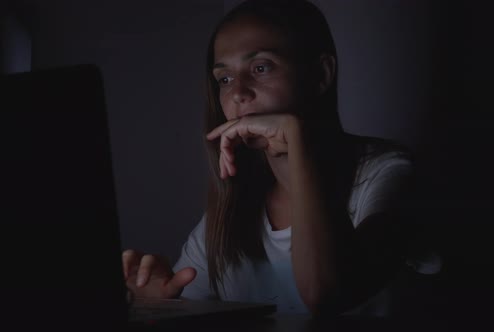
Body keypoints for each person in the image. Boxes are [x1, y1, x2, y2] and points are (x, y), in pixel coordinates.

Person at [122, 0, 439, 316]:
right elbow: (192, 313)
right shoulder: (229, 213)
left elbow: (325, 294)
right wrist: (156, 305)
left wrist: (296, 138)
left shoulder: (388, 172)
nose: (238, 93)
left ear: (320, 74)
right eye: (225, 79)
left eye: (261, 67)